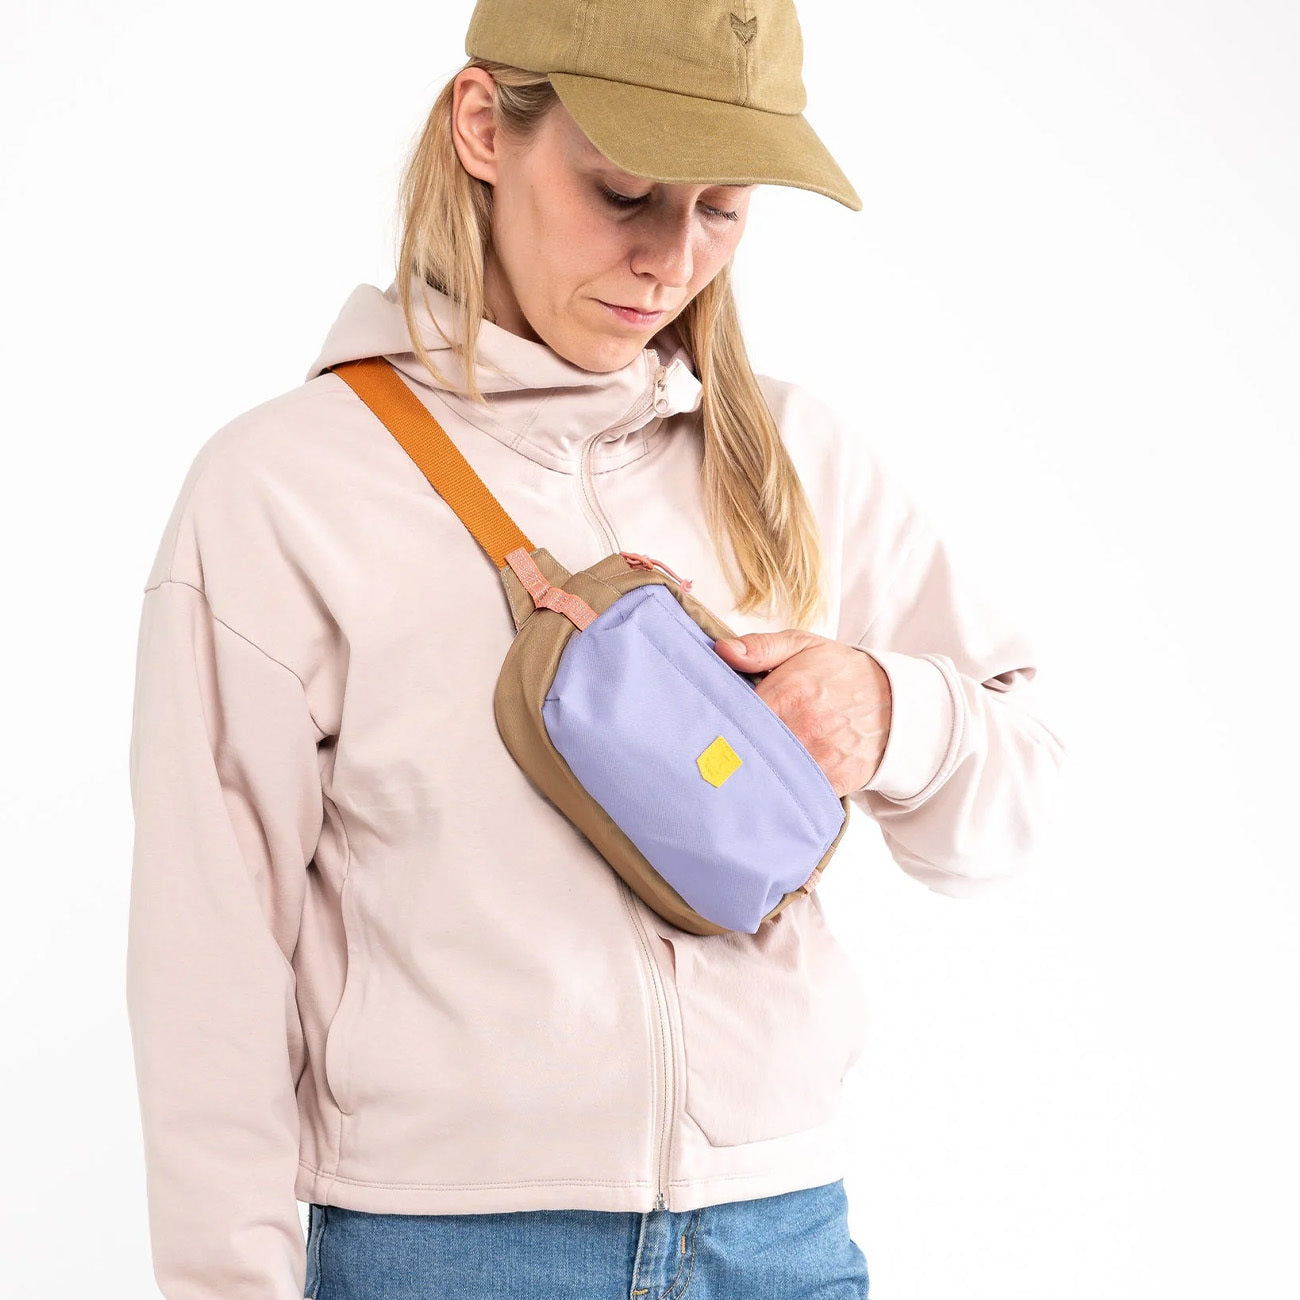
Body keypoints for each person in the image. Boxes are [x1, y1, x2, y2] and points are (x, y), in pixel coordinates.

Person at [124, 1, 1066, 1297]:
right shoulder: (285, 489)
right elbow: (210, 958)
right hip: (449, 1253)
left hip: (777, 1240)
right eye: (624, 190)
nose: (671, 262)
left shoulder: (792, 458)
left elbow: (1018, 803)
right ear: (483, 126)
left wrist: (890, 710)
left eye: (721, 208)